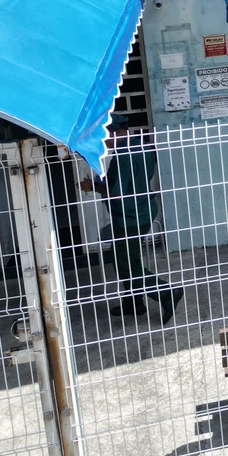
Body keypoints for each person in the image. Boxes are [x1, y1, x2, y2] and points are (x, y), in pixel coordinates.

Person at [80, 114, 183, 323]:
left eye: (102, 135)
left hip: (129, 218)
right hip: (143, 211)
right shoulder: (141, 146)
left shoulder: (124, 155)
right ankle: (133, 303)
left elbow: (116, 193)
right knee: (129, 260)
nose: (102, 141)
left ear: (111, 132)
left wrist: (93, 186)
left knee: (126, 265)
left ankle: (165, 292)